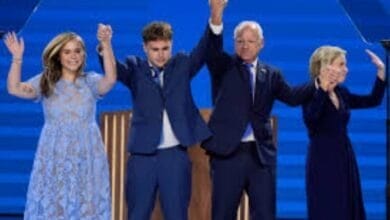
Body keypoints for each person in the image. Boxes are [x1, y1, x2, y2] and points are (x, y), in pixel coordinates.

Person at [97, 1, 226, 219]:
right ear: (144, 48)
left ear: (171, 46)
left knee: (177, 214)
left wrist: (216, 15)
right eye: (155, 49)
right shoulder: (134, 68)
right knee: (137, 214)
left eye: (165, 48)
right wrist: (105, 45)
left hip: (175, 156)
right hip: (141, 157)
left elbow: (207, 48)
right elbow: (113, 71)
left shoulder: (182, 65)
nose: (160, 54)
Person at [201, 1, 318, 219]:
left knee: (265, 215)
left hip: (260, 157)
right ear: (235, 44)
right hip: (228, 154)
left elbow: (292, 97)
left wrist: (318, 83)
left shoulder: (272, 74)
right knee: (222, 214)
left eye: (250, 41)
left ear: (261, 44)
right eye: (240, 41)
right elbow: (212, 49)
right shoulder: (223, 66)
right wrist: (216, 15)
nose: (245, 46)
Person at [3, 24, 116, 219]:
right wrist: (17, 58)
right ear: (58, 56)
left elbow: (111, 80)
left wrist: (105, 44)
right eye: (67, 52)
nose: (73, 56)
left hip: (86, 156)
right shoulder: (45, 82)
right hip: (55, 155)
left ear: (83, 55)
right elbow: (14, 89)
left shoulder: (90, 81)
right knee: (56, 205)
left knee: (87, 204)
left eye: (77, 51)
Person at [303, 46, 386, 220]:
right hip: (323, 159)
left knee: (348, 205)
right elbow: (311, 120)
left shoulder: (342, 92)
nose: (346, 69)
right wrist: (323, 90)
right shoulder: (310, 92)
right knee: (329, 205)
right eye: (341, 64)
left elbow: (372, 100)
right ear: (326, 67)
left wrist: (381, 71)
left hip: (344, 156)